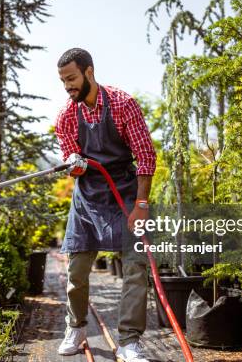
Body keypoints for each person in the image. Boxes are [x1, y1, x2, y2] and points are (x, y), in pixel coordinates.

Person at [54, 48, 156, 362]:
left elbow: (146, 157)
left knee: (136, 267)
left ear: (89, 72)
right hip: (88, 197)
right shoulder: (67, 116)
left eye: (71, 78)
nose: (68, 86)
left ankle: (128, 341)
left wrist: (141, 204)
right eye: (63, 81)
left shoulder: (123, 104)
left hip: (125, 191)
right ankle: (77, 327)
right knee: (77, 270)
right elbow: (70, 158)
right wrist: (73, 163)